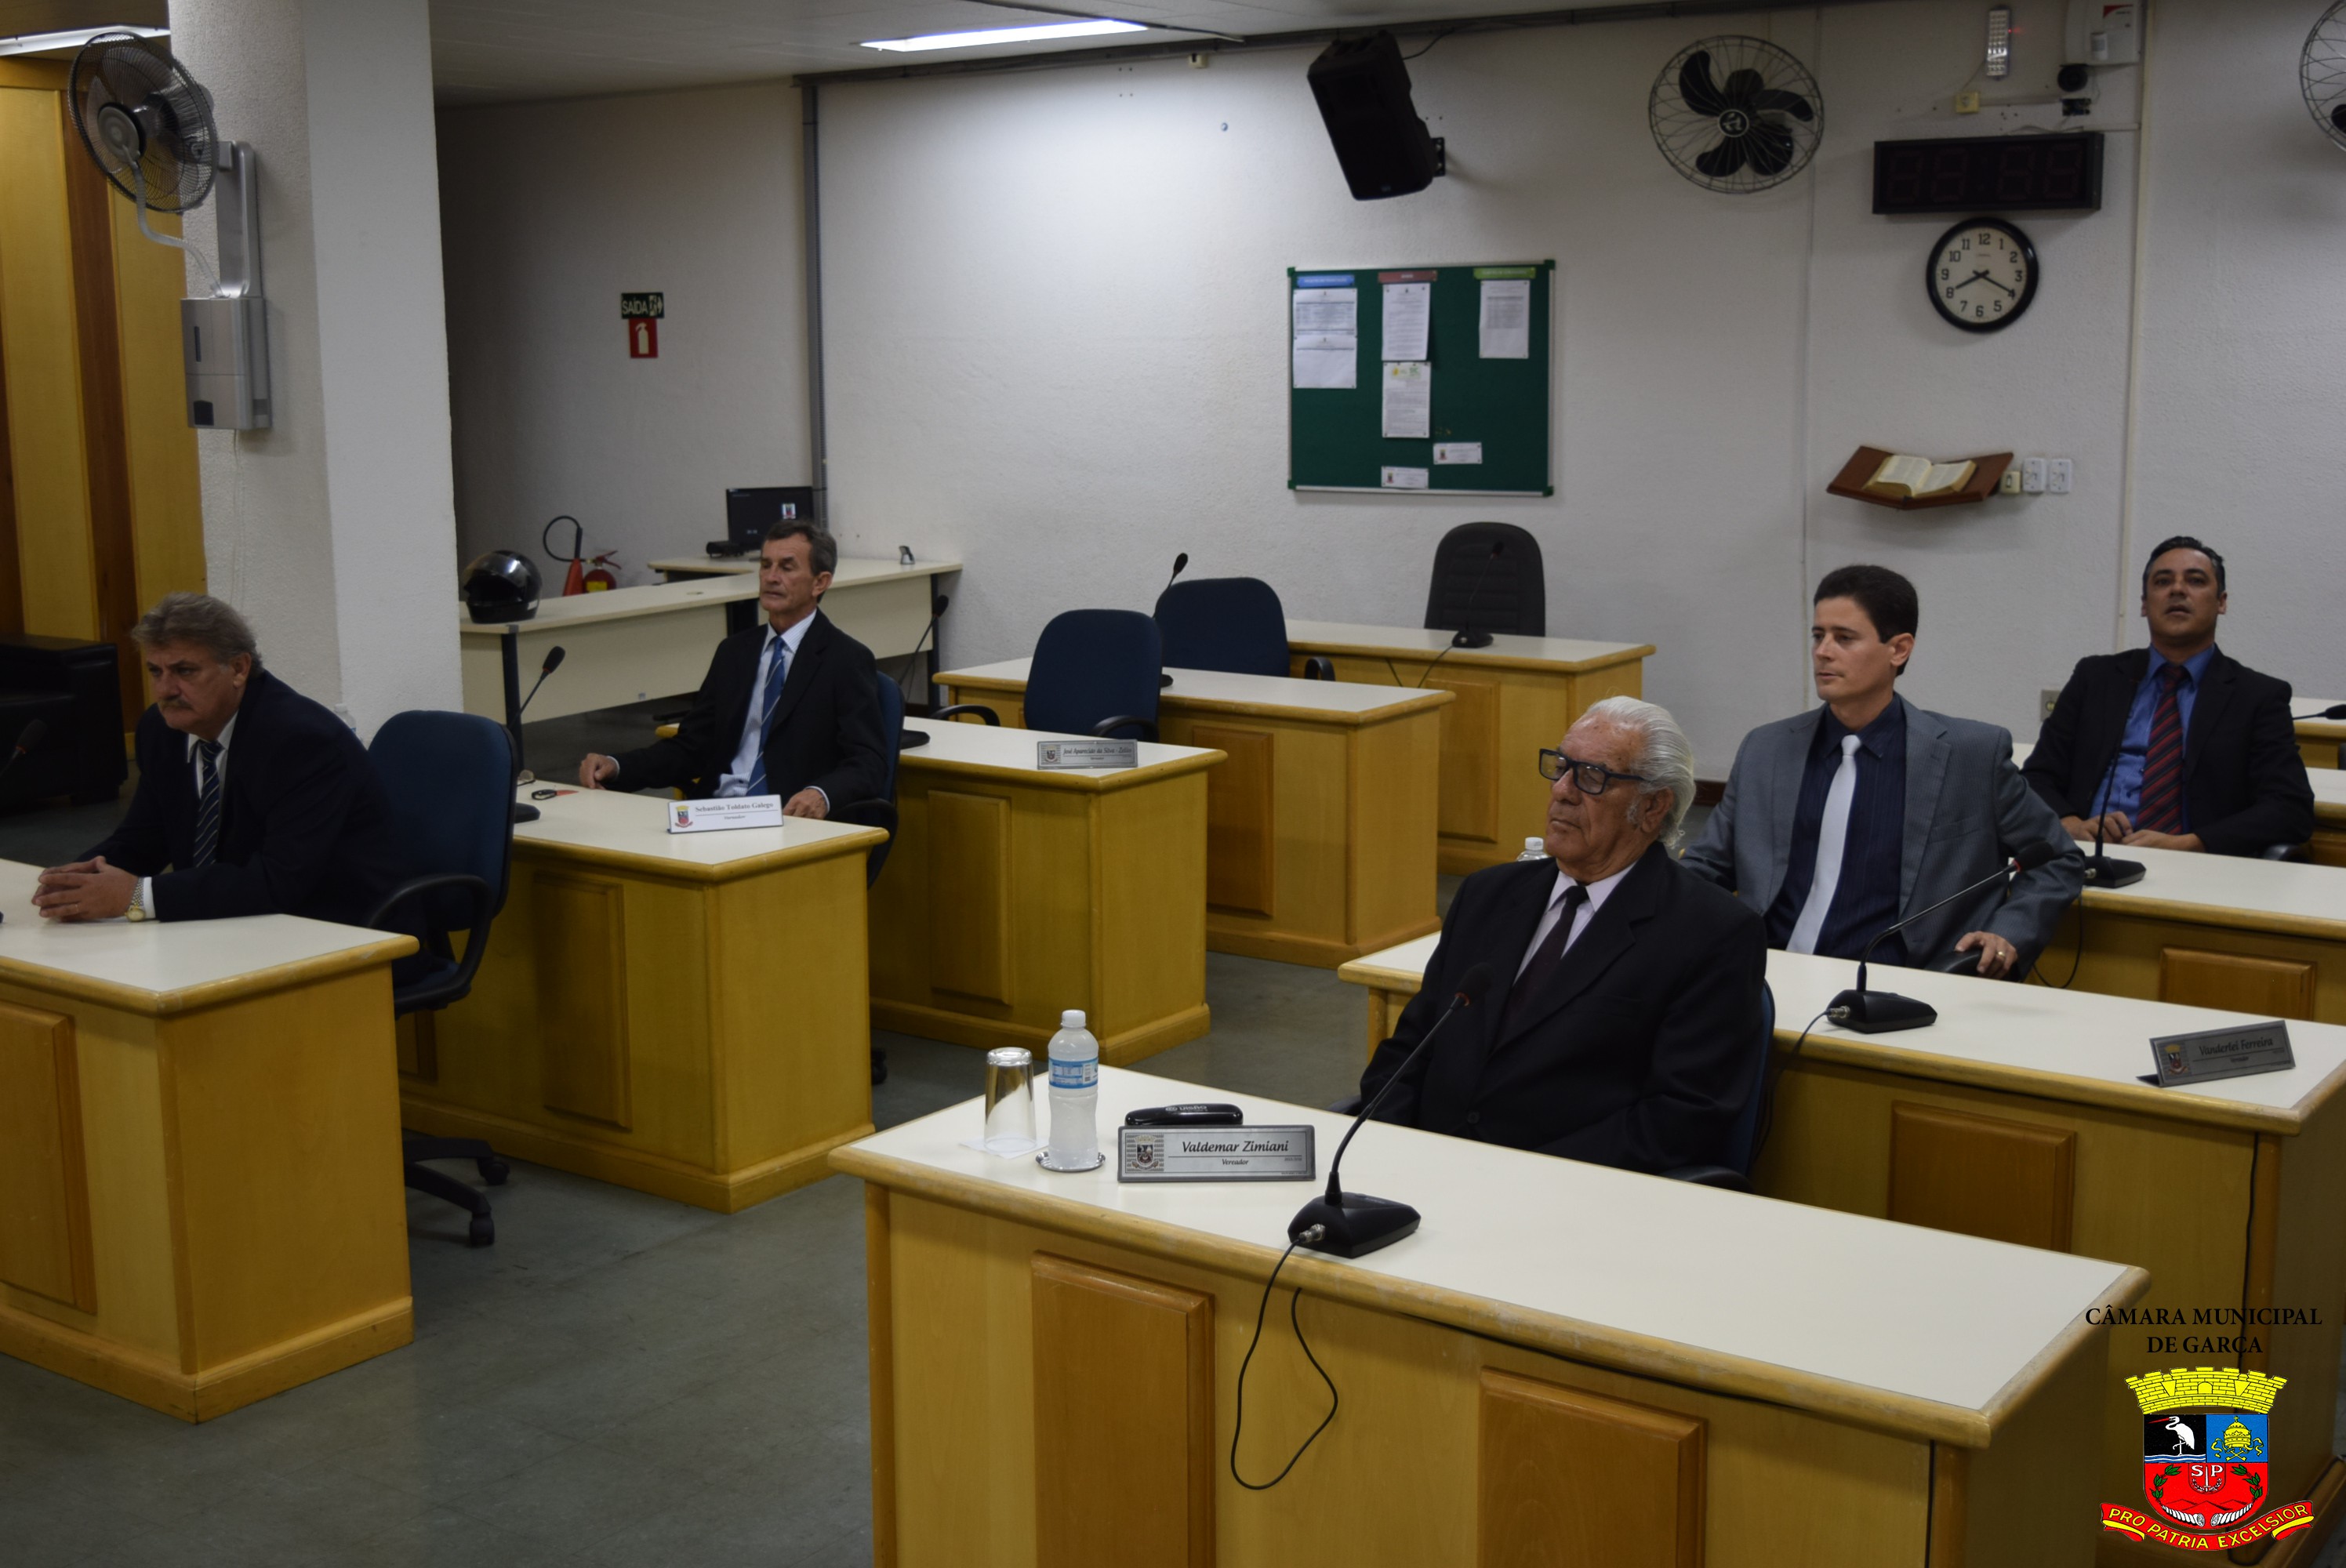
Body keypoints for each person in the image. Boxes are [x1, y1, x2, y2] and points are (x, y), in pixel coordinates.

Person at [1358, 697, 1766, 1175]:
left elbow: (1680, 1118)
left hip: (1567, 1191)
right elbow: (1410, 1049)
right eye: (1561, 767)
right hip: (1421, 1171)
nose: (1563, 791)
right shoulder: (1487, 895)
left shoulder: (1712, 933)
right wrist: (1389, 1149)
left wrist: (1516, 1179)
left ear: (1652, 807)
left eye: (1592, 777)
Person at [1681, 564, 2080, 979]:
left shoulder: (1971, 756)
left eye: (1844, 638)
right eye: (1818, 635)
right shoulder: (1767, 749)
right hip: (1766, 972)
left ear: (1899, 650)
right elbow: (1706, 867)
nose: (1823, 651)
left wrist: (2006, 932)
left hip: (1903, 983)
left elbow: (2057, 860)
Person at [34, 593, 412, 926]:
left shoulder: (303, 742)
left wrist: (135, 897)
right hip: (231, 923)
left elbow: (280, 880)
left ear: (239, 669)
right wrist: (72, 882)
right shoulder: (162, 730)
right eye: (155, 671)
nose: (165, 690)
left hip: (341, 930)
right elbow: (144, 839)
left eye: (184, 671)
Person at [2024, 536, 2313, 857]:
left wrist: (2190, 844)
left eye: (2195, 580)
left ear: (2221, 602)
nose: (2177, 590)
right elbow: (2037, 776)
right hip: (2086, 857)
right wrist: (2070, 824)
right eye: (2163, 582)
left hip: (2194, 865)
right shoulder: (2096, 678)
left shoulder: (2257, 696)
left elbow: (2290, 807)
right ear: (2144, 604)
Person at [579, 519, 888, 812]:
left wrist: (821, 794)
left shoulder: (845, 659)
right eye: (765, 565)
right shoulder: (735, 652)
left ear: (820, 582)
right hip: (719, 809)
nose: (771, 577)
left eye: (786, 567)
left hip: (791, 817)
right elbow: (691, 747)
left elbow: (868, 762)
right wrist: (617, 766)